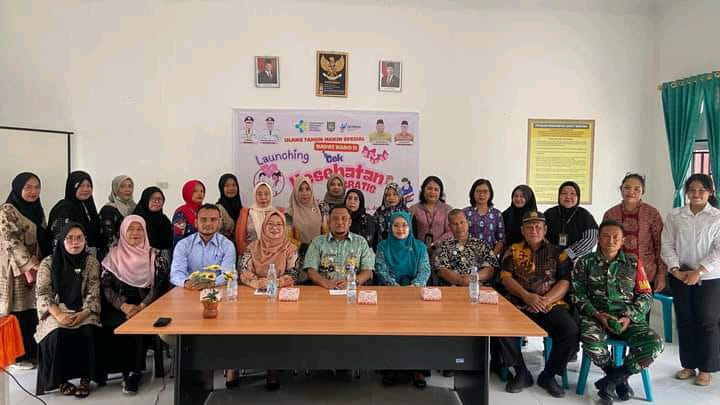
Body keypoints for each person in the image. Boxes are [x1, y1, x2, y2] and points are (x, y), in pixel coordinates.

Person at [573, 220, 663, 404]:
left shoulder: (633, 263)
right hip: (596, 317)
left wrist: (629, 317)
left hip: (628, 319)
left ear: (623, 241)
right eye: (606, 236)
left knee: (655, 343)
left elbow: (646, 294)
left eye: (616, 237)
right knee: (590, 340)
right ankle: (617, 380)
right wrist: (597, 315)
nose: (611, 241)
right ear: (598, 239)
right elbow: (577, 294)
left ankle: (612, 381)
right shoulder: (585, 262)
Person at [497, 211, 578, 398]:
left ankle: (549, 375)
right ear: (522, 230)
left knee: (570, 330)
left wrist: (545, 300)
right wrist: (526, 296)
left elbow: (565, 281)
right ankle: (521, 372)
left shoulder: (559, 253)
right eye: (529, 227)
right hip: (519, 302)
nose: (534, 230)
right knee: (501, 328)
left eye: (538, 227)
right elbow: (505, 278)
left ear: (545, 229)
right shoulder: (512, 250)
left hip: (550, 304)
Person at [661, 173, 720, 386]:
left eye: (701, 190)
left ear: (710, 192)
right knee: (684, 321)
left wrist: (699, 271)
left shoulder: (717, 217)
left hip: (710, 277)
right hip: (681, 275)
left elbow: (718, 249)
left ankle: (706, 368)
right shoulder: (675, 215)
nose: (696, 194)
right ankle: (688, 365)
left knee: (707, 321)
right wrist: (675, 269)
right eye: (692, 190)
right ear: (686, 192)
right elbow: (667, 244)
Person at [100, 215, 169, 394]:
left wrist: (142, 307)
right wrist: (123, 306)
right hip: (119, 305)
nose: (135, 233)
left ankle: (133, 372)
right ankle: (113, 369)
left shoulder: (155, 256)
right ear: (123, 232)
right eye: (130, 229)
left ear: (145, 232)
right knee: (110, 323)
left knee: (136, 325)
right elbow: (106, 287)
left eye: (139, 229)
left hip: (147, 304)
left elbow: (160, 286)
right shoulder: (113, 255)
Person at [35, 223, 103, 398]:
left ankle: (86, 379)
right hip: (55, 309)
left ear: (85, 240)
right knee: (58, 333)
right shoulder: (48, 263)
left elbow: (94, 291)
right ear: (61, 241)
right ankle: (62, 381)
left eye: (79, 238)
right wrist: (59, 314)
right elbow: (43, 293)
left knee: (88, 330)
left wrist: (84, 313)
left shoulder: (91, 262)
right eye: (70, 238)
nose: (75, 242)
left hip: (84, 309)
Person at [235, 211, 298, 390]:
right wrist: (256, 283)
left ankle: (273, 367)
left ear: (284, 228)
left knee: (276, 326)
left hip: (278, 297)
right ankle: (234, 364)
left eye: (279, 224)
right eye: (271, 224)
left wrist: (274, 283)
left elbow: (293, 274)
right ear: (263, 227)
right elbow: (244, 271)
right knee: (241, 323)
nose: (275, 228)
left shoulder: (290, 248)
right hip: (253, 296)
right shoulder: (252, 247)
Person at [0, 173, 52, 369]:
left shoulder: (37, 208)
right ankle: (18, 356)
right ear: (18, 188)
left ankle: (33, 353)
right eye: (28, 187)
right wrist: (32, 264)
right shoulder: (7, 211)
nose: (33, 192)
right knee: (18, 310)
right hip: (16, 269)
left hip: (37, 265)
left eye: (36, 187)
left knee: (33, 309)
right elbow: (11, 242)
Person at [375, 211, 430, 388]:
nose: (400, 229)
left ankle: (417, 369)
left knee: (417, 330)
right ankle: (391, 367)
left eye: (404, 225)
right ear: (390, 227)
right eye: (396, 225)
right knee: (390, 330)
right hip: (390, 294)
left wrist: (414, 287)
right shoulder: (383, 246)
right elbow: (381, 270)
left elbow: (424, 270)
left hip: (415, 294)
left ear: (410, 227)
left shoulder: (420, 247)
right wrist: (396, 288)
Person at [603, 173, 667, 292]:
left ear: (643, 191)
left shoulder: (652, 213)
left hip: (646, 272)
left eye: (637, 189)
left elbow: (660, 244)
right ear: (621, 189)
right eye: (627, 187)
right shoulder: (611, 214)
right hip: (615, 272)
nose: (631, 192)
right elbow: (603, 243)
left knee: (643, 304)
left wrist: (661, 274)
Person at [304, 205, 375, 289]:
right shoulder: (318, 242)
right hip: (324, 289)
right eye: (335, 219)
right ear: (329, 222)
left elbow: (367, 271)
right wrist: (325, 283)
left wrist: (352, 283)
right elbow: (311, 269)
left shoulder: (361, 242)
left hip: (352, 291)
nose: (340, 222)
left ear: (350, 222)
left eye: (344, 218)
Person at [171, 204, 235, 289]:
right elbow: (176, 273)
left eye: (213, 220)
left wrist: (211, 283)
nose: (208, 223)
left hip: (217, 290)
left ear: (219, 223)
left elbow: (228, 274)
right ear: (196, 223)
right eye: (203, 219)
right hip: (190, 289)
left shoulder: (227, 245)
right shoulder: (183, 244)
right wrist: (186, 282)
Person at [434, 209, 499, 286]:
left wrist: (472, 278)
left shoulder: (481, 244)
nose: (459, 226)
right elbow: (441, 270)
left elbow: (490, 270)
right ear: (450, 227)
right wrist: (460, 280)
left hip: (478, 288)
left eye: (462, 222)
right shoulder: (443, 246)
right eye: (454, 224)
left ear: (468, 222)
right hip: (452, 289)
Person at [48, 171, 102, 258]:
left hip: (89, 258)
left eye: (88, 186)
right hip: (69, 259)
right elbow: (58, 240)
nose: (86, 189)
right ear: (72, 187)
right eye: (81, 186)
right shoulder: (64, 209)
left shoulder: (88, 206)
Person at [544, 181, 598, 261]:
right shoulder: (549, 213)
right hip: (550, 258)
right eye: (564, 193)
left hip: (577, 260)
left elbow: (591, 238)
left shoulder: (585, 215)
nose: (568, 196)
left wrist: (569, 253)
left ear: (578, 196)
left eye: (572, 193)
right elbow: (540, 234)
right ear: (559, 196)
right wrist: (551, 251)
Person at [409, 176, 453, 254]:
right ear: (423, 190)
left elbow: (450, 232)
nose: (432, 192)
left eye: (436, 189)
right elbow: (409, 232)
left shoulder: (447, 209)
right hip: (418, 252)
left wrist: (434, 245)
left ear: (440, 192)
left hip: (441, 252)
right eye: (429, 188)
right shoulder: (413, 209)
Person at [463, 179, 505, 256]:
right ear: (473, 193)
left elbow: (501, 240)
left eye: (485, 191)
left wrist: (492, 256)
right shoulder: (464, 212)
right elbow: (459, 236)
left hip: (491, 256)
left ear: (490, 194)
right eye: (478, 191)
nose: (481, 194)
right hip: (468, 256)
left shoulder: (496, 214)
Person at [235, 182, 276, 256]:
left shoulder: (276, 214)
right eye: (259, 194)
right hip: (250, 255)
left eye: (266, 194)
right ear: (254, 196)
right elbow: (240, 239)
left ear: (271, 196)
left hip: (272, 255)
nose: (263, 197)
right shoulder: (246, 213)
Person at [286, 176, 323, 257]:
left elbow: (325, 232)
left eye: (307, 189)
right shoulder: (289, 213)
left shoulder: (320, 208)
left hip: (320, 253)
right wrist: (304, 247)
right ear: (295, 191)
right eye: (300, 189)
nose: (304, 193)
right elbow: (287, 238)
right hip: (298, 255)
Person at [99, 175, 137, 253]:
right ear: (116, 189)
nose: (127, 189)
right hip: (114, 255)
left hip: (132, 253)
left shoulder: (134, 207)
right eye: (122, 186)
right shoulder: (108, 210)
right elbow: (108, 239)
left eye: (130, 186)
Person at [132, 187, 173, 254]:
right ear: (146, 200)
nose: (157, 202)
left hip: (162, 257)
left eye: (160, 199)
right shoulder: (136, 219)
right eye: (153, 199)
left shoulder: (164, 220)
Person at [172, 179, 205, 247]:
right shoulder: (181, 212)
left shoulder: (205, 210)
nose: (199, 193)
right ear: (187, 192)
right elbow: (178, 238)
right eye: (195, 191)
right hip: (187, 250)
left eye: (202, 191)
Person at [216, 174, 243, 242]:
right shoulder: (218, 209)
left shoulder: (242, 209)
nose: (231, 188)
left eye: (234, 185)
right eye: (227, 185)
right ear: (221, 188)